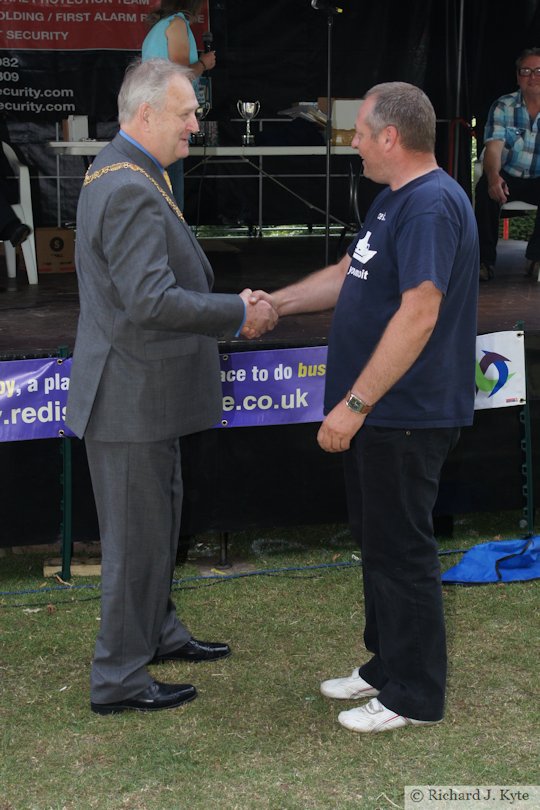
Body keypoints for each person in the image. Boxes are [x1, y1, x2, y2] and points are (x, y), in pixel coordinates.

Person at [251, 82, 479, 733]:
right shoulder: (393, 200)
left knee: (402, 551)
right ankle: (386, 665)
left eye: (359, 132)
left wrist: (355, 402)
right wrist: (276, 302)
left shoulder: (431, 205)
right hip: (383, 414)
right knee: (378, 544)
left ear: (389, 136)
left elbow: (419, 312)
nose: (350, 143)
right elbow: (351, 270)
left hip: (406, 412)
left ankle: (414, 694)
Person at [65, 58, 277, 715]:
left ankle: (156, 632)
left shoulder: (126, 169)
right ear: (145, 113)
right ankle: (119, 679)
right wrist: (237, 313)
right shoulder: (128, 184)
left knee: (155, 530)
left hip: (142, 395)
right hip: (131, 399)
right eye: (187, 112)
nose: (196, 123)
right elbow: (150, 301)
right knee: (135, 544)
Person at [141, 0, 216, 207]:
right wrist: (203, 63)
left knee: (159, 195)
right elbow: (181, 73)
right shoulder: (177, 23)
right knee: (171, 202)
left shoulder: (160, 26)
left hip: (155, 116)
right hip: (168, 117)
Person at [475, 47, 540, 281]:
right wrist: (493, 178)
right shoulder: (503, 105)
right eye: (526, 71)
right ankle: (484, 262)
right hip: (508, 175)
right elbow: (493, 148)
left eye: (539, 70)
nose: (532, 76)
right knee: (484, 190)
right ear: (518, 77)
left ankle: (536, 260)